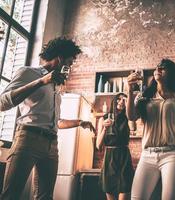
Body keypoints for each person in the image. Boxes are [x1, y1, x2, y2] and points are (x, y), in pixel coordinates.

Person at [0, 37, 96, 200]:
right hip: (28, 138)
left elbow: (55, 122)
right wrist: (41, 81)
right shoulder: (29, 72)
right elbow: (3, 103)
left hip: (52, 144)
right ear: (60, 59)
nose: (71, 67)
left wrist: (80, 122)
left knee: (45, 197)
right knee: (11, 195)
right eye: (70, 62)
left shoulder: (56, 85)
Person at [127, 58, 175, 200]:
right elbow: (131, 116)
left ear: (171, 74)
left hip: (172, 154)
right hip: (147, 154)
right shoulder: (144, 97)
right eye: (157, 67)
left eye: (163, 68)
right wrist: (129, 91)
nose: (158, 70)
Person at [96, 93, 134, 200]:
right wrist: (104, 128)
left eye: (124, 100)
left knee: (124, 194)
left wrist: (129, 108)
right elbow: (98, 145)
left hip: (124, 157)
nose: (121, 101)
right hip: (109, 158)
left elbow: (133, 128)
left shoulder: (128, 117)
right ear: (114, 101)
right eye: (119, 99)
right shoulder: (103, 119)